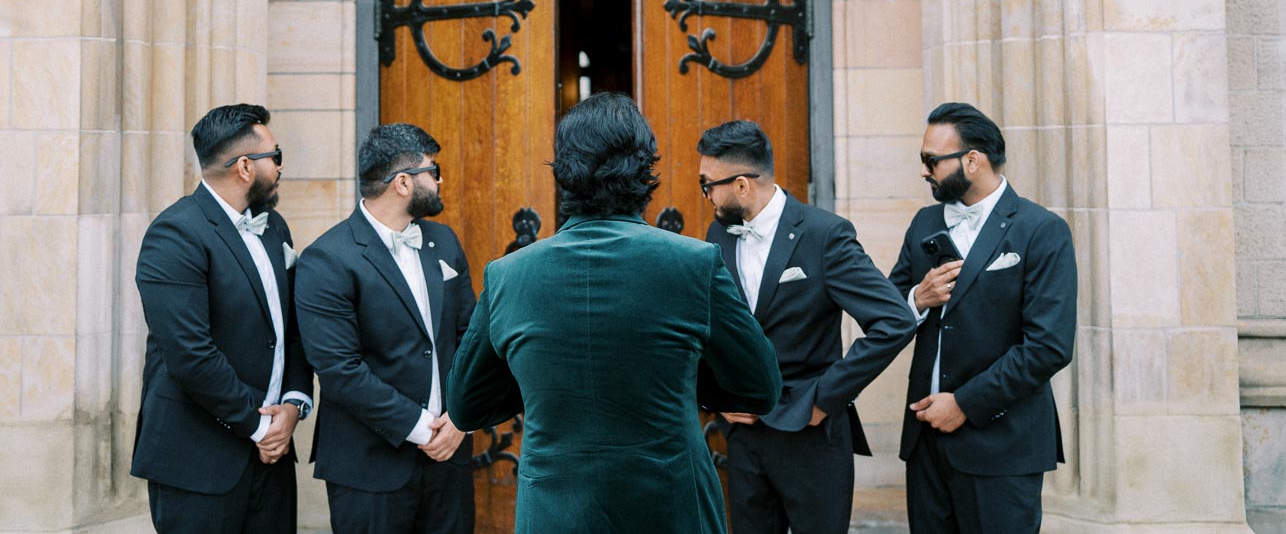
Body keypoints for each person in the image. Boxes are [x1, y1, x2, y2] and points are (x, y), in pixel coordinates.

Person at [447, 92, 781, 534]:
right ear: (645, 172)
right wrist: (677, 375)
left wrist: (538, 381)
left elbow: (467, 407)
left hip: (555, 513)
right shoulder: (693, 264)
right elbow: (760, 387)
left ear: (564, 172)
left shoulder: (509, 274)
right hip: (670, 507)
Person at [697, 120, 917, 534]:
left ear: (742, 185)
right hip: (744, 439)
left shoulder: (824, 235)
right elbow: (708, 324)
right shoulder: (718, 233)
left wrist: (825, 397)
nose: (706, 193)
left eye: (708, 183)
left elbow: (895, 320)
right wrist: (715, 394)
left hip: (811, 436)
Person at [889, 102, 1077, 534]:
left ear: (972, 160)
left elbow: (1049, 346)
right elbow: (886, 308)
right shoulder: (924, 223)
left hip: (1003, 444)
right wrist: (918, 298)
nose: (923, 171)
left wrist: (964, 405)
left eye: (930, 160)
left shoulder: (1040, 229)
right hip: (926, 442)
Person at [132, 103, 313, 533]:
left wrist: (292, 405)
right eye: (277, 156)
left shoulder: (274, 227)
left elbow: (293, 329)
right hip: (197, 459)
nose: (282, 167)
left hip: (272, 458)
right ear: (245, 167)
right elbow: (189, 355)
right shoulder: (174, 234)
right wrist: (258, 425)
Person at [295, 124, 476, 534]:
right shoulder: (327, 259)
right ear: (403, 183)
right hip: (369, 466)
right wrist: (420, 428)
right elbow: (340, 370)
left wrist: (460, 419)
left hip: (450, 458)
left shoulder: (444, 242)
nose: (440, 179)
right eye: (434, 170)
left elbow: (472, 337)